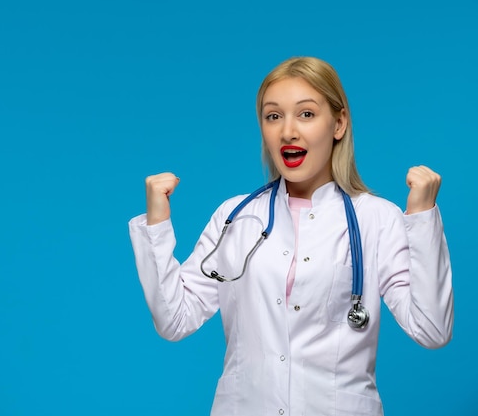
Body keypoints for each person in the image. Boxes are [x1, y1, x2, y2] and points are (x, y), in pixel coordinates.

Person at [128, 56, 453, 416]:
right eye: (273, 116)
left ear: (339, 123)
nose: (287, 132)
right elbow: (175, 320)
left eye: (307, 114)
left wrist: (422, 217)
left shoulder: (376, 218)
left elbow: (431, 329)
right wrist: (157, 222)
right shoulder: (237, 217)